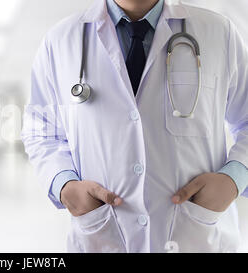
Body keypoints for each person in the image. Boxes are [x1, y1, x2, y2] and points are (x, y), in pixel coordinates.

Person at [21, 0, 248, 252]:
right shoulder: (60, 41)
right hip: (103, 236)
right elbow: (41, 130)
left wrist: (235, 177)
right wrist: (63, 184)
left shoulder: (218, 32)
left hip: (198, 237)